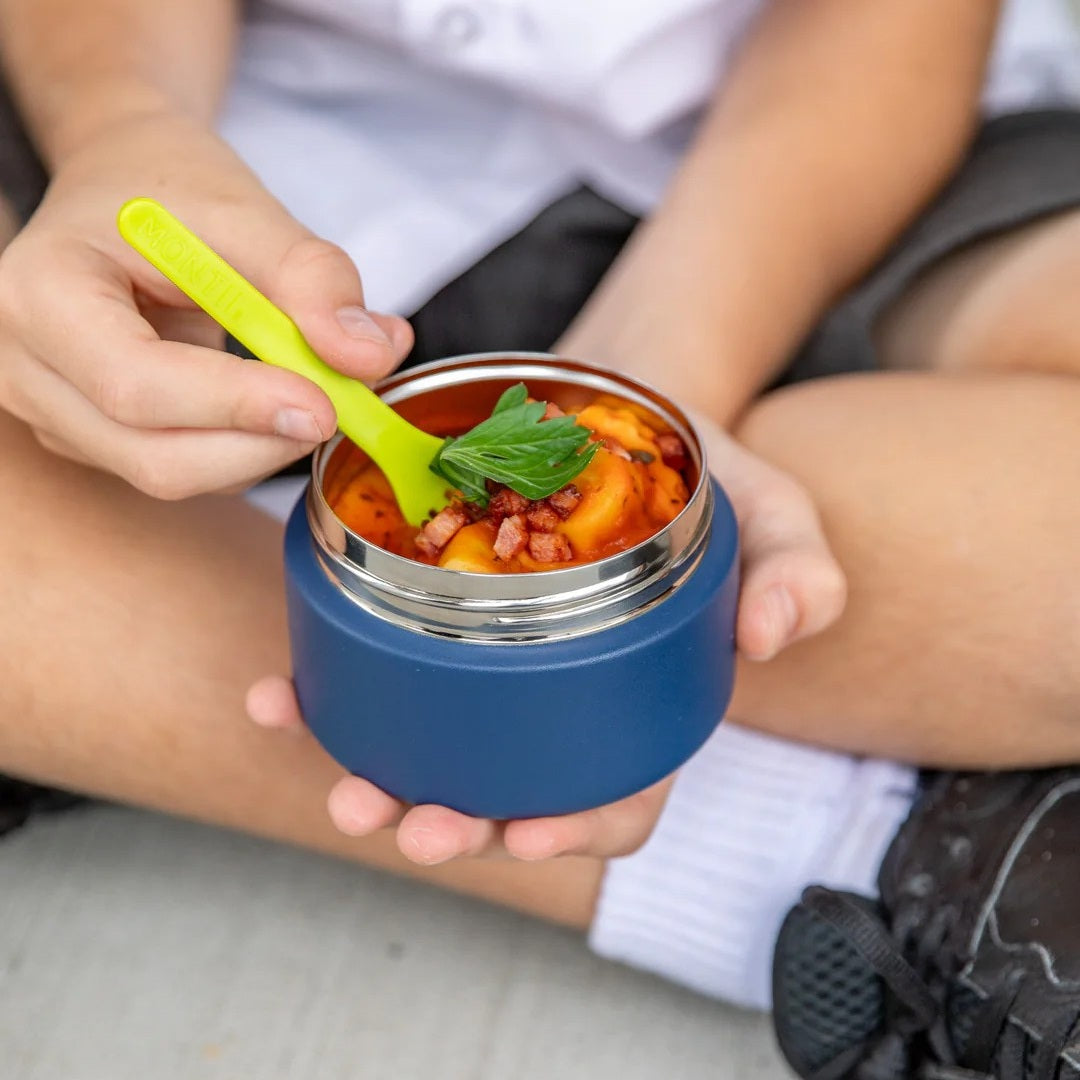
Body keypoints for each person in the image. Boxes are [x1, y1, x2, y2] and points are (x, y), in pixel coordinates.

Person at [0, 1, 1078, 1075]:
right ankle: (875, 859)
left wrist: (660, 379)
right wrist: (124, 125)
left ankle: (127, 636)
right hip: (257, 151)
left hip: (795, 168)